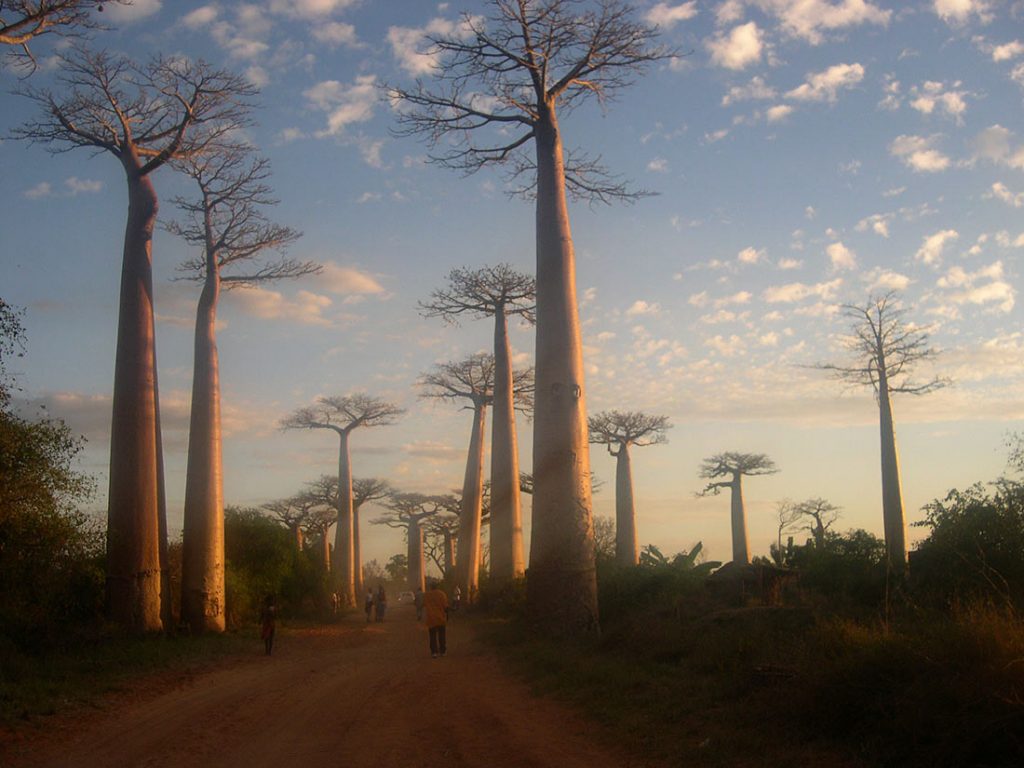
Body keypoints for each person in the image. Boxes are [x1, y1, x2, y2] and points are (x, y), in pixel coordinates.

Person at [423, 580, 449, 658]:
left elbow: (424, 604)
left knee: (432, 636)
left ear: (431, 587)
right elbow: (445, 606)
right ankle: (443, 651)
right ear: (437, 586)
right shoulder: (442, 594)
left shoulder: (427, 595)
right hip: (441, 618)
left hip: (431, 618)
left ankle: (434, 652)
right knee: (442, 635)